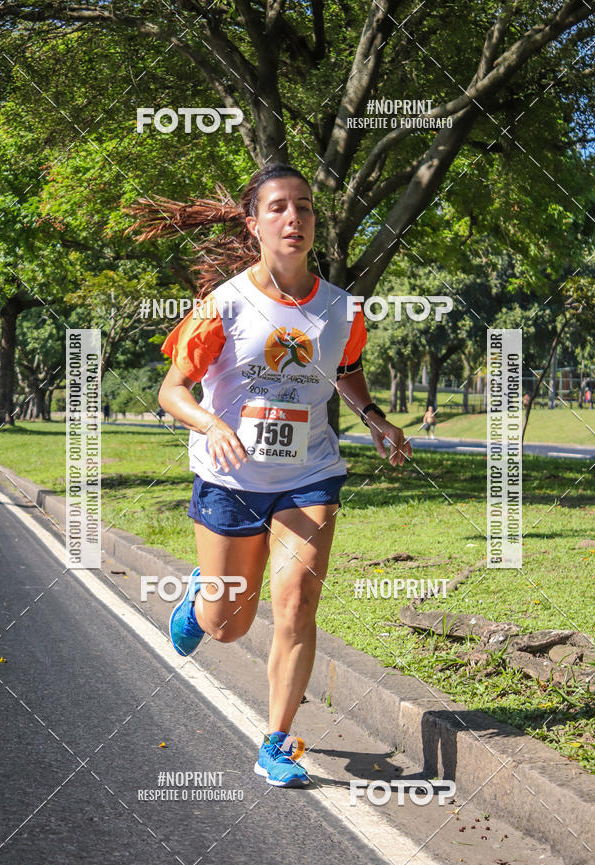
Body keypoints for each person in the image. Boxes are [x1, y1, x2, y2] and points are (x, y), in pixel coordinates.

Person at [126, 163, 412, 787]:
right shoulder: (224, 305)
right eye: (278, 207)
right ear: (254, 225)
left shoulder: (341, 308)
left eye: (303, 206)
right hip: (230, 478)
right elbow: (172, 390)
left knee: (298, 602)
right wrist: (211, 425)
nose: (293, 217)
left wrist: (374, 418)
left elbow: (345, 370)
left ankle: (276, 744)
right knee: (228, 626)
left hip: (309, 473)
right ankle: (202, 599)